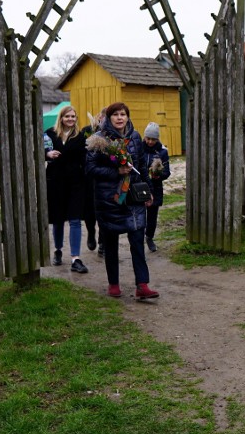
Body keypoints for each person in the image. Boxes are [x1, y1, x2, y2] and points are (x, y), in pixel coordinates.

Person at [85, 102, 159, 300]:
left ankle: (142, 285)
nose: (120, 118)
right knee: (111, 243)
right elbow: (90, 170)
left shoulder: (134, 137)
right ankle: (114, 283)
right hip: (109, 199)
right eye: (115, 114)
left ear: (127, 116)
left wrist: (148, 190)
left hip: (133, 197)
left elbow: (142, 165)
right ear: (108, 118)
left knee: (137, 241)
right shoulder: (98, 140)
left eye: (123, 114)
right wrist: (115, 171)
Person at [44, 106, 89, 273]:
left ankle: (75, 258)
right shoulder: (49, 133)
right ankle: (57, 250)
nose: (71, 119)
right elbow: (40, 151)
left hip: (76, 182)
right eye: (67, 116)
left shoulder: (81, 136)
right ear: (61, 118)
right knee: (58, 219)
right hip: (55, 181)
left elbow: (86, 157)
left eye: (73, 116)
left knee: (75, 219)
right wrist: (47, 155)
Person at [138, 121, 170, 252]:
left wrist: (159, 175)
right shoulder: (139, 148)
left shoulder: (162, 152)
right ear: (144, 137)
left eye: (153, 139)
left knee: (152, 216)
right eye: (148, 138)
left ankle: (149, 237)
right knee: (140, 215)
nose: (150, 141)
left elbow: (167, 171)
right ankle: (138, 239)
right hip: (140, 187)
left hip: (155, 187)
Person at [80, 108, 106, 256]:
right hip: (88, 178)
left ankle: (103, 242)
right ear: (99, 117)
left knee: (103, 210)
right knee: (89, 210)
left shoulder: (112, 134)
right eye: (103, 117)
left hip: (104, 177)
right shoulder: (87, 130)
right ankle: (91, 233)